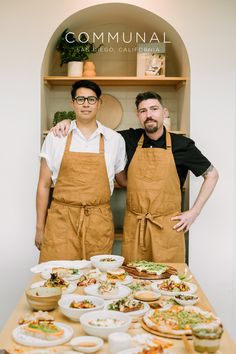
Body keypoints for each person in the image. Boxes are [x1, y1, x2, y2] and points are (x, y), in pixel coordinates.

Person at [52, 91, 218, 263]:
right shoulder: (127, 139)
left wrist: (194, 212)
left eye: (154, 109)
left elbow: (212, 175)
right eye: (143, 111)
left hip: (167, 227)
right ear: (138, 115)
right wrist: (68, 123)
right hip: (135, 225)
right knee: (134, 282)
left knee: (169, 280)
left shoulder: (182, 145)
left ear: (164, 112)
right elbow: (95, 130)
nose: (149, 115)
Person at [35, 79, 126, 262]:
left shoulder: (115, 139)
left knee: (96, 283)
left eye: (91, 99)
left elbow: (122, 180)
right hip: (61, 222)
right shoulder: (56, 137)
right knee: (57, 280)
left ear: (99, 103)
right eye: (80, 99)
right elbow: (44, 185)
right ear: (73, 103)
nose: (86, 104)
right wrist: (39, 227)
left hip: (98, 224)